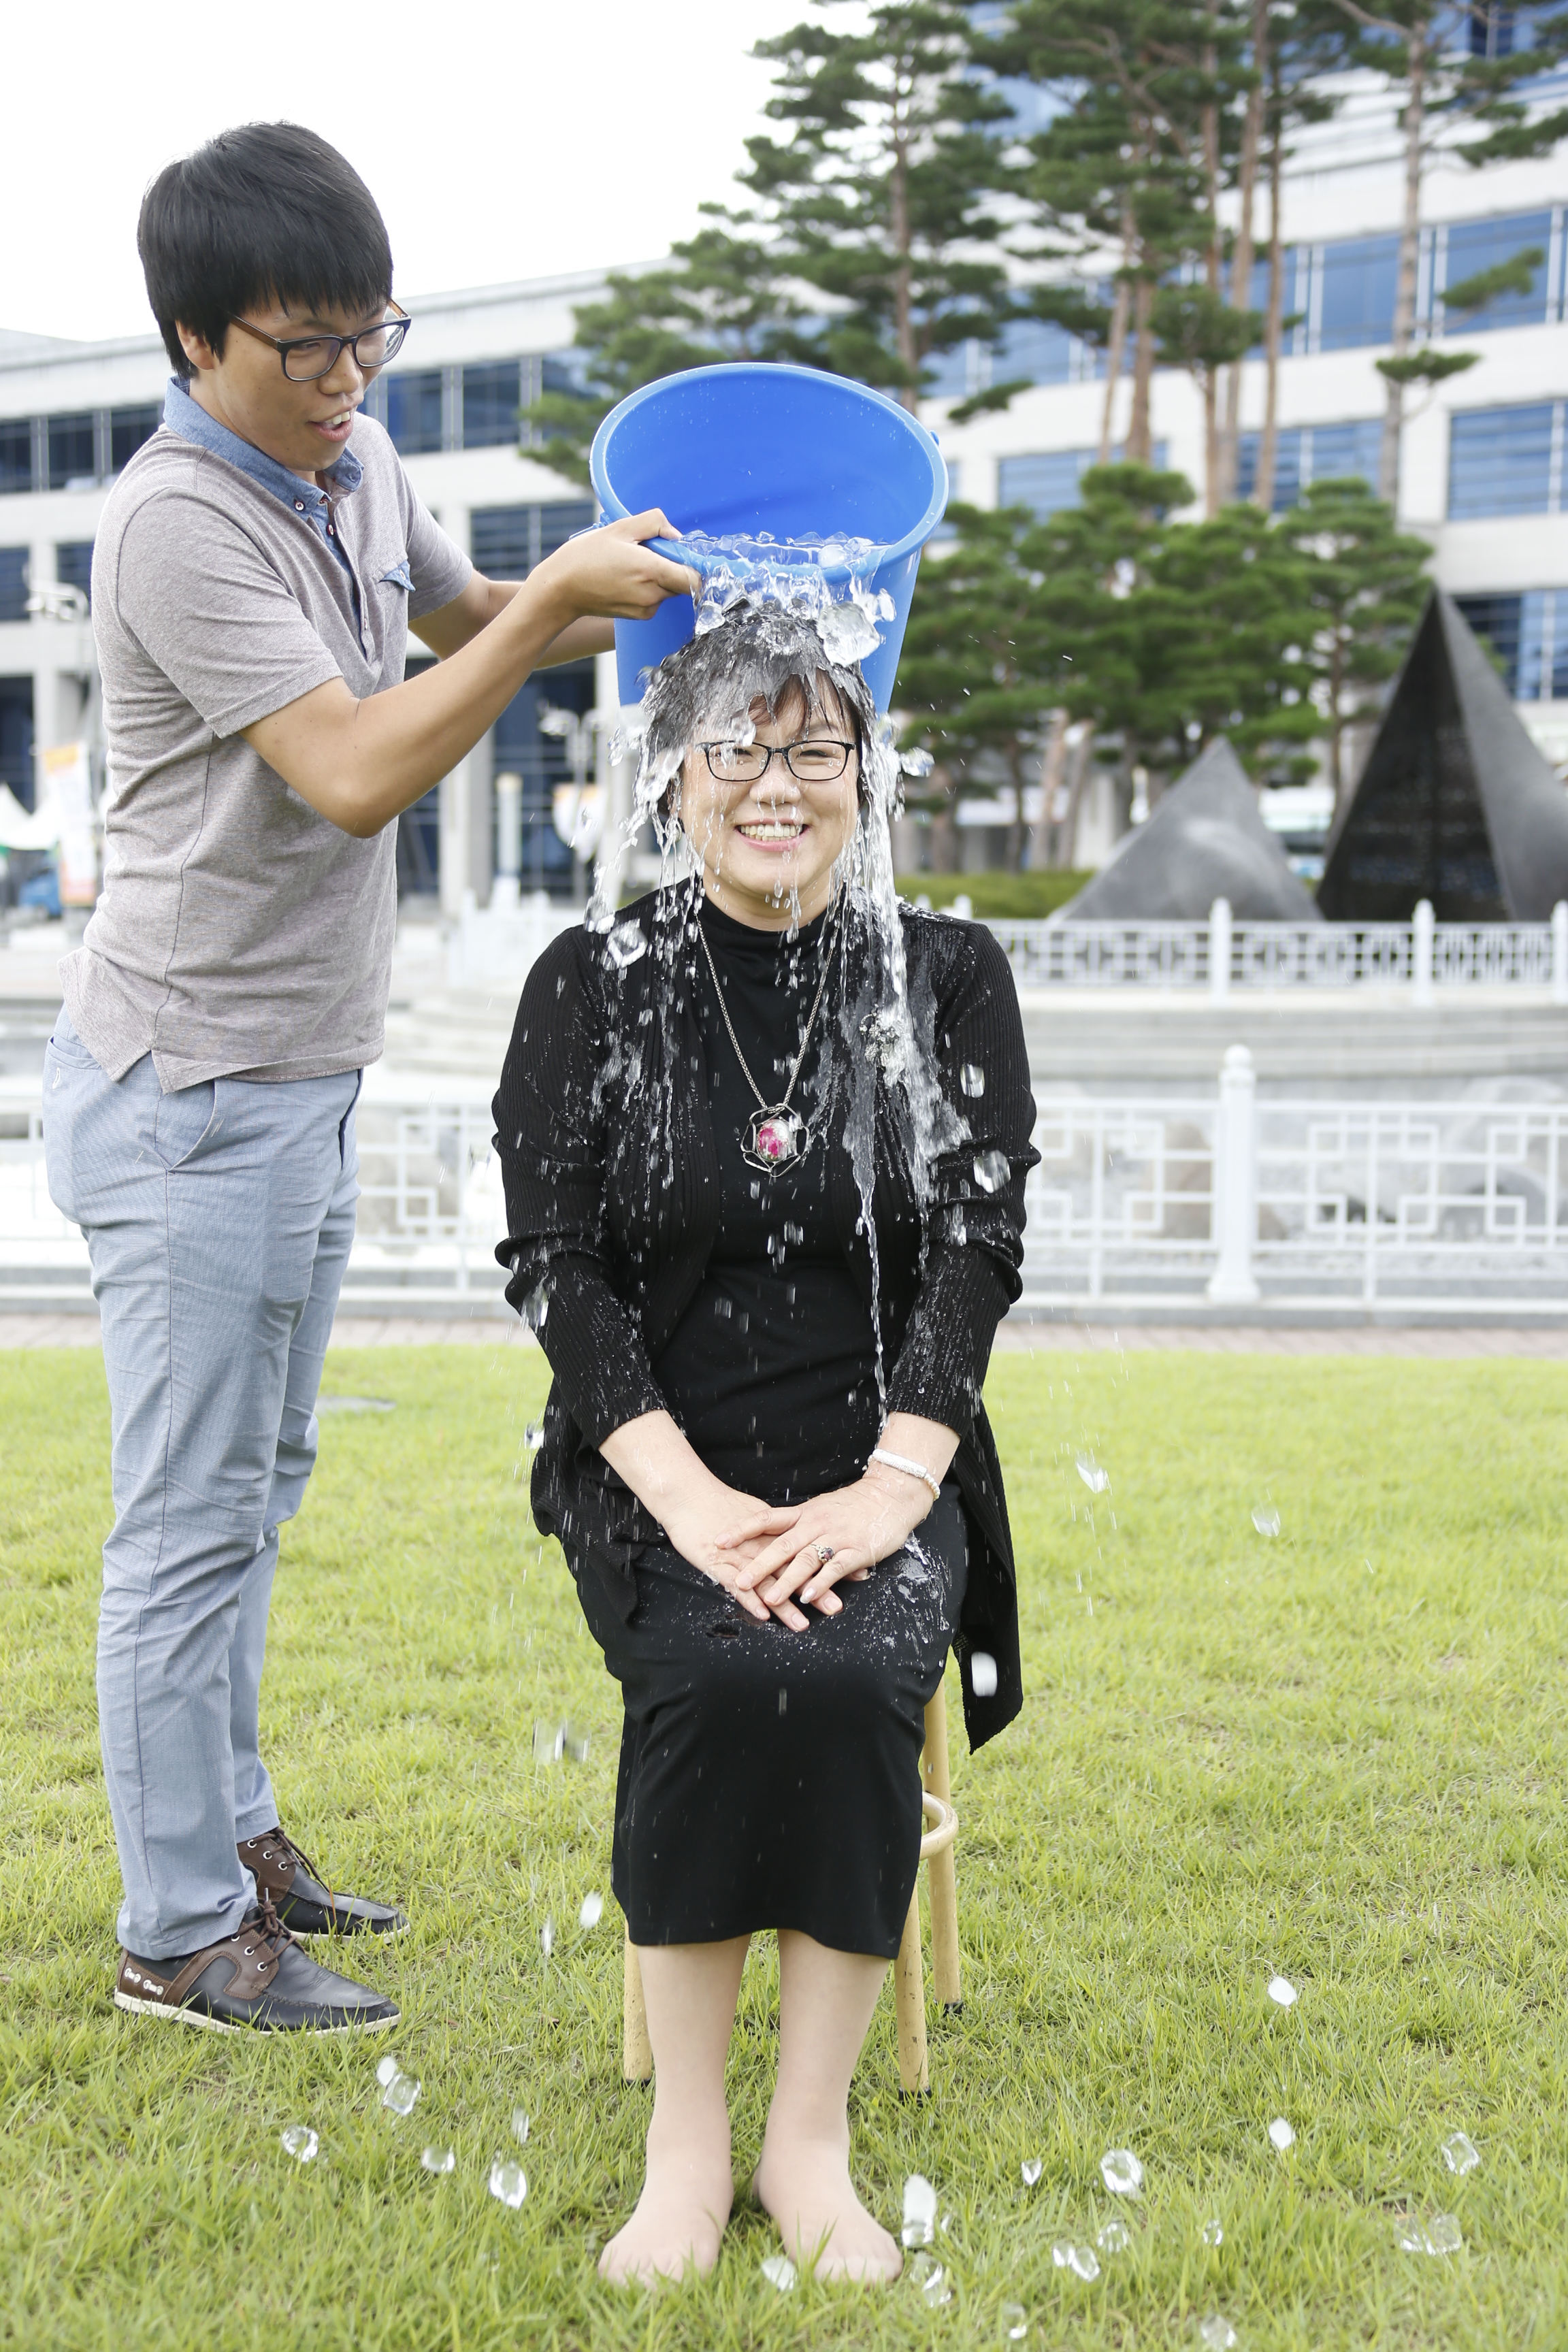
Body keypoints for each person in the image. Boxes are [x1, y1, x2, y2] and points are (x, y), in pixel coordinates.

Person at [44, 121, 692, 2037]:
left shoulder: (356, 455)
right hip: (189, 1089)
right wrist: (558, 601)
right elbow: (352, 768)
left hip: (294, 1077)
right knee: (185, 1515)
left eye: (367, 341)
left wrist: (609, 608)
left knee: (259, 1485)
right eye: (300, 351)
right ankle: (178, 1933)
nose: (343, 386)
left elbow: (457, 630)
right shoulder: (175, 519)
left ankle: (234, 1840)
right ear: (189, 343)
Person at [494, 604, 1037, 2284]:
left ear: (865, 776)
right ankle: (685, 2157)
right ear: (675, 776)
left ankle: (808, 2142)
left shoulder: (944, 974)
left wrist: (893, 1489)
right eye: (737, 746)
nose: (775, 784)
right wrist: (688, 1497)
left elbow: (978, 1243)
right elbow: (556, 1260)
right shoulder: (597, 979)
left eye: (814, 748)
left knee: (851, 1663)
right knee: (721, 1669)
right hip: (660, 1465)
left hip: (887, 1465)